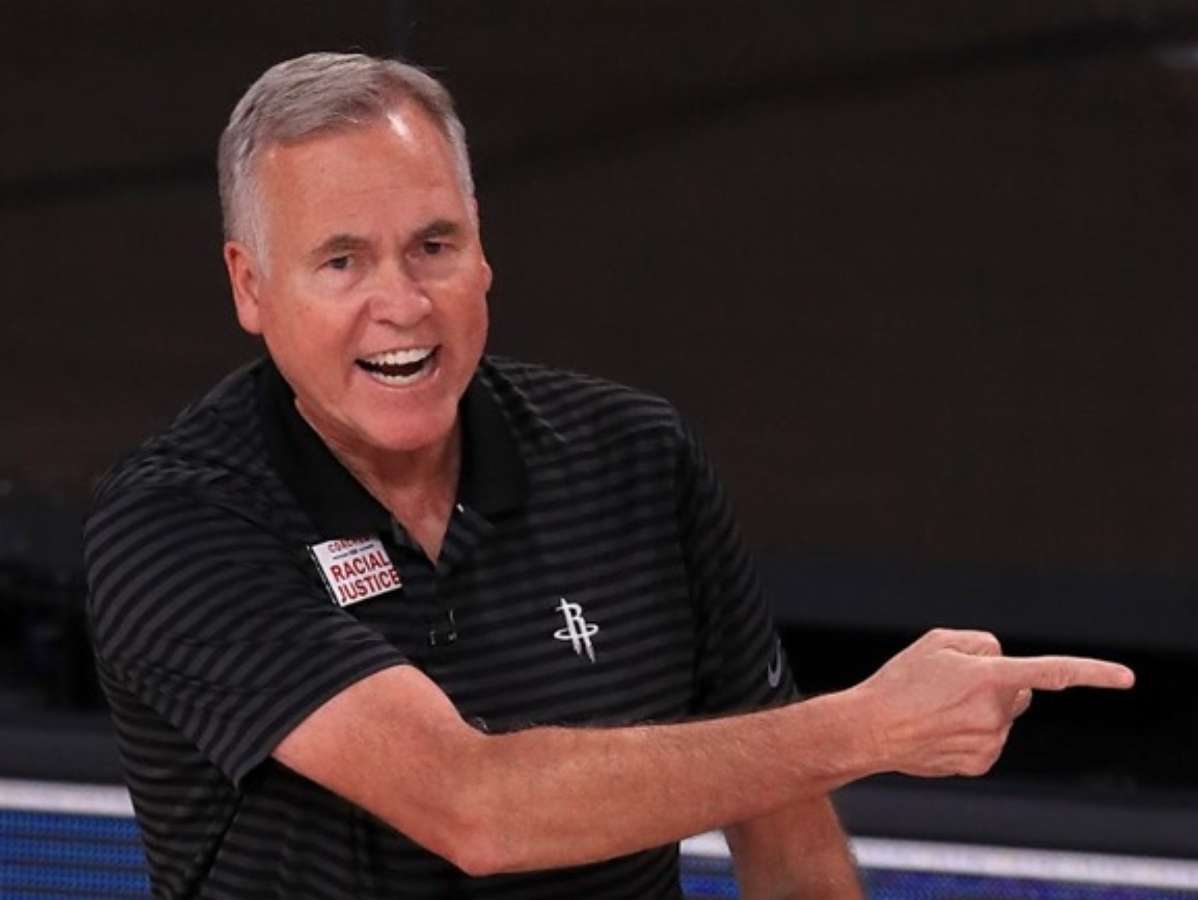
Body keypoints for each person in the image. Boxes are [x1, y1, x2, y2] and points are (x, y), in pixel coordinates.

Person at [83, 52, 1134, 899]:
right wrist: (870, 724)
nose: (401, 304)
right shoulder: (175, 522)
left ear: (483, 254)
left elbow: (786, 838)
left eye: (435, 245)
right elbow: (473, 809)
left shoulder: (638, 458)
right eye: (342, 261)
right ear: (251, 286)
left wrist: (830, 747)